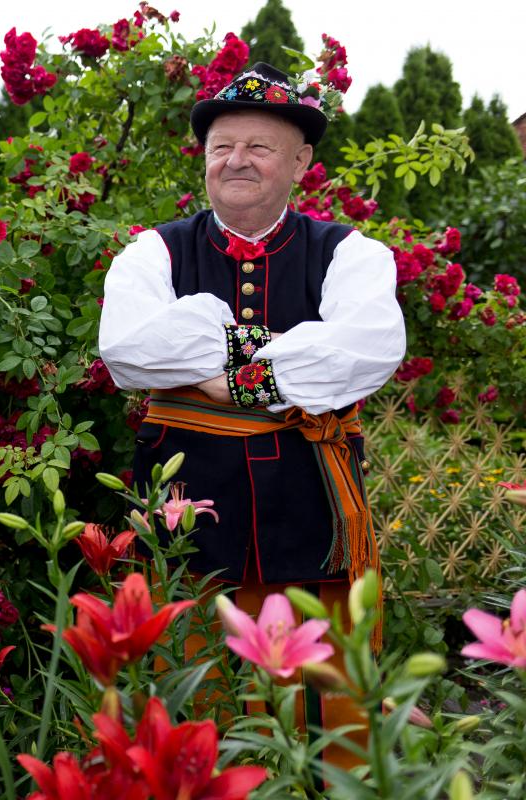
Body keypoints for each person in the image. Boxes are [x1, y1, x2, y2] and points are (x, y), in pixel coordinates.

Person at [98, 62, 406, 771]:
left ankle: (325, 785)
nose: (236, 160)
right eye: (222, 146)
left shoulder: (350, 254)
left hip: (308, 496)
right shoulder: (153, 252)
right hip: (184, 496)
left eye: (259, 147)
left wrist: (219, 369)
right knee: (186, 676)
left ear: (300, 162)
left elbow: (366, 349)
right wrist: (287, 360)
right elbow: (129, 350)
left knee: (323, 693)